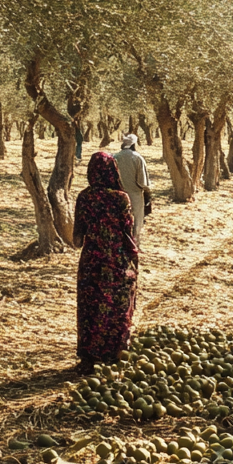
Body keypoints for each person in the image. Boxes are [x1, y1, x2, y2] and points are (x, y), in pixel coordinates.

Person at [73, 152, 138, 366]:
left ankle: (89, 356)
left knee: (90, 305)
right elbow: (128, 230)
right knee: (116, 305)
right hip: (116, 259)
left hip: (91, 260)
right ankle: (114, 353)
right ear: (113, 170)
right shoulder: (121, 198)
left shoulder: (84, 197)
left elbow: (77, 239)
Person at [113, 133, 151, 244]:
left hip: (118, 194)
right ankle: (135, 243)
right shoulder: (137, 157)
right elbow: (142, 182)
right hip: (135, 194)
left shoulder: (115, 157)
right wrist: (148, 193)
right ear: (134, 144)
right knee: (137, 220)